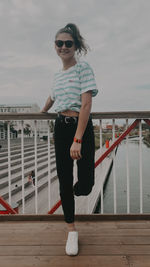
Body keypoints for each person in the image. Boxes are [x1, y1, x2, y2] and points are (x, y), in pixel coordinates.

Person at [41, 23, 98, 256]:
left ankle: (77, 191)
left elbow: (86, 104)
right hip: (60, 128)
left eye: (68, 43)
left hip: (80, 128)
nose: (63, 47)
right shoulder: (57, 75)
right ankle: (71, 230)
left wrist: (78, 139)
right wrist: (42, 112)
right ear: (55, 46)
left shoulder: (83, 68)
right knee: (64, 179)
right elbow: (52, 96)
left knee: (86, 183)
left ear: (75, 46)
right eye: (59, 43)